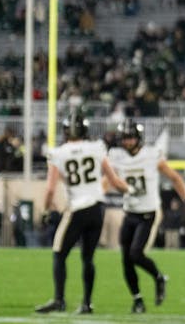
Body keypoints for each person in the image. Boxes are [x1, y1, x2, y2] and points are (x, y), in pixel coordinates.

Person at [36, 110, 132, 315]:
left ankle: (59, 300)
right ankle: (87, 303)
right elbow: (114, 181)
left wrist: (45, 210)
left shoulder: (58, 153)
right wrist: (131, 191)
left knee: (59, 253)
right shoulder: (96, 147)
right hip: (98, 208)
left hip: (78, 208)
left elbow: (50, 188)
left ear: (65, 131)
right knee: (88, 258)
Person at [108, 119, 185, 313]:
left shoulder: (151, 155)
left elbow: (174, 177)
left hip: (148, 212)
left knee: (135, 253)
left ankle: (158, 277)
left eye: (130, 138)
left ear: (138, 138)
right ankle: (137, 299)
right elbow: (109, 179)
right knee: (126, 259)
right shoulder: (116, 156)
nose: (127, 142)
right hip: (129, 212)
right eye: (125, 138)